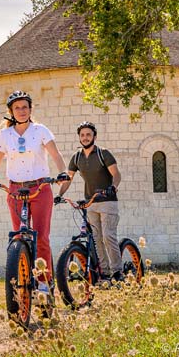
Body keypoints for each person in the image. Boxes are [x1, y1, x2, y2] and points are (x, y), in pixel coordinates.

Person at [0, 90, 68, 298]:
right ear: (11, 111)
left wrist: (62, 172)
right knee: (18, 235)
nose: (21, 111)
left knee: (41, 237)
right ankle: (20, 275)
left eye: (25, 107)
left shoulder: (40, 130)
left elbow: (55, 155)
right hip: (15, 190)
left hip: (40, 188)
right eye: (17, 108)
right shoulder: (5, 135)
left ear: (30, 109)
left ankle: (44, 283)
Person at [59, 121, 124, 282]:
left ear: (94, 136)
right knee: (96, 239)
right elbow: (68, 178)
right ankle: (105, 274)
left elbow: (116, 174)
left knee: (108, 236)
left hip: (107, 201)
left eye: (88, 134)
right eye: (82, 135)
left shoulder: (103, 153)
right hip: (90, 203)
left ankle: (117, 272)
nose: (85, 137)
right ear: (79, 138)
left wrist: (113, 187)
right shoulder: (77, 157)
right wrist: (59, 195)